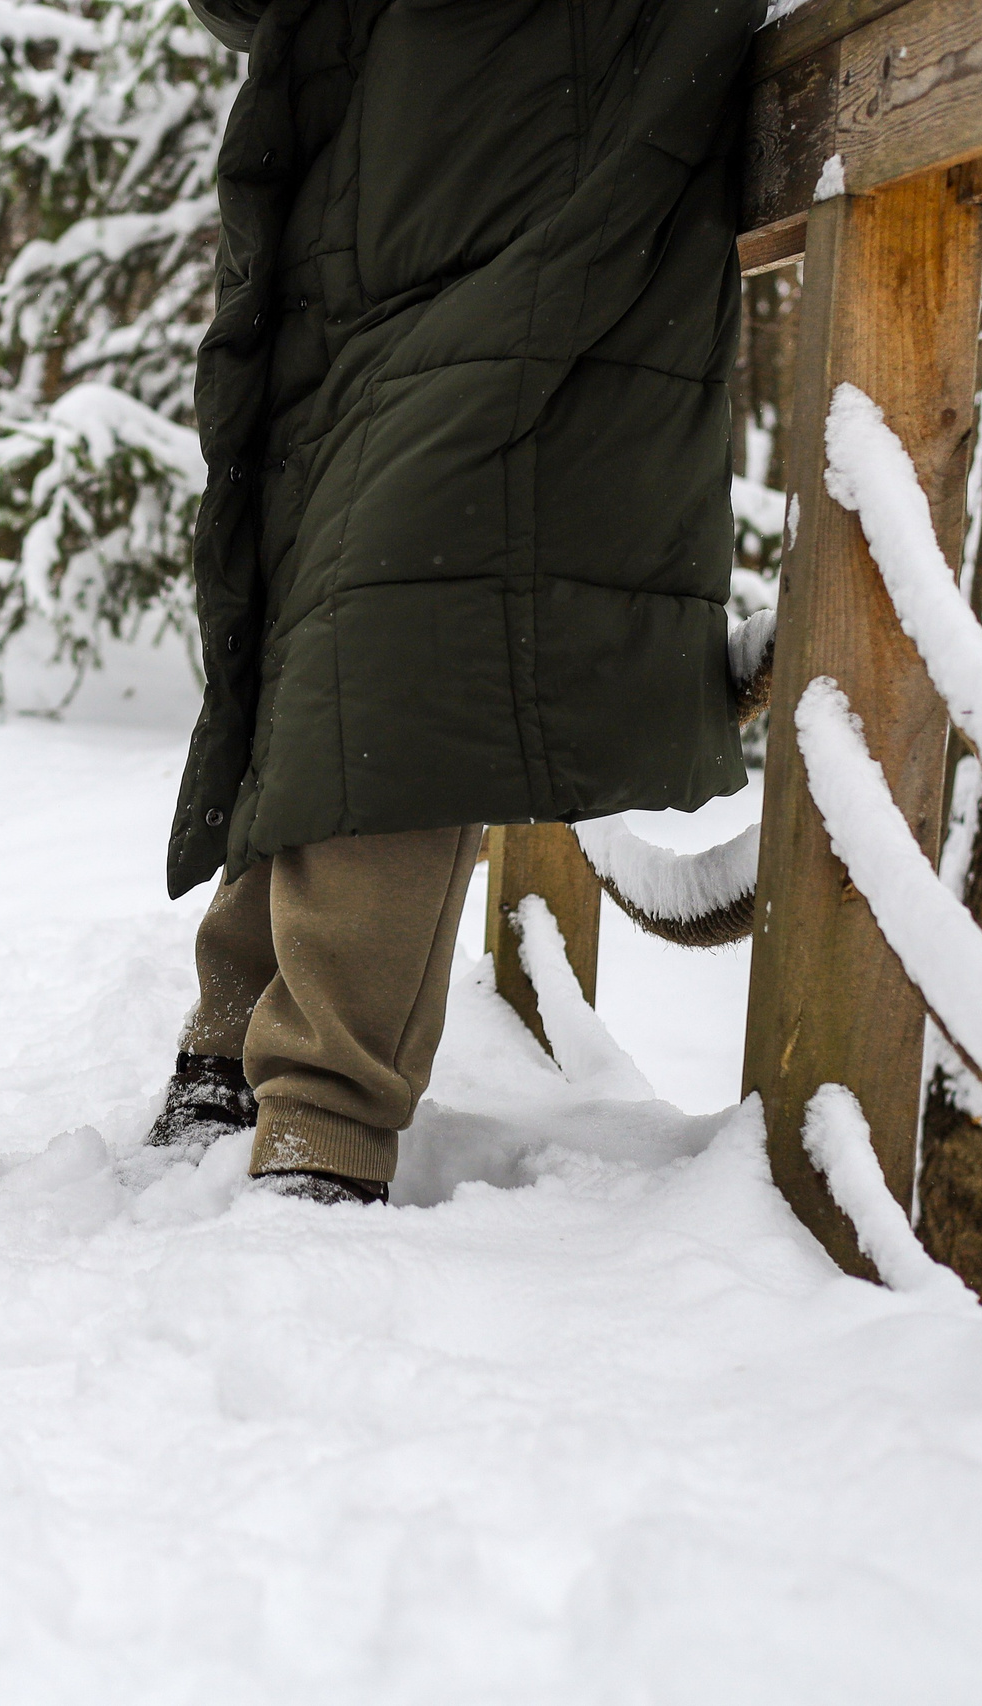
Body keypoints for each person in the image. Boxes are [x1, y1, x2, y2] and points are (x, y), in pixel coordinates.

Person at [148, 0, 764, 1202]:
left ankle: (322, 1118)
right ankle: (230, 1032)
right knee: (311, 650)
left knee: (397, 643)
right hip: (363, 266)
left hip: (539, 231)